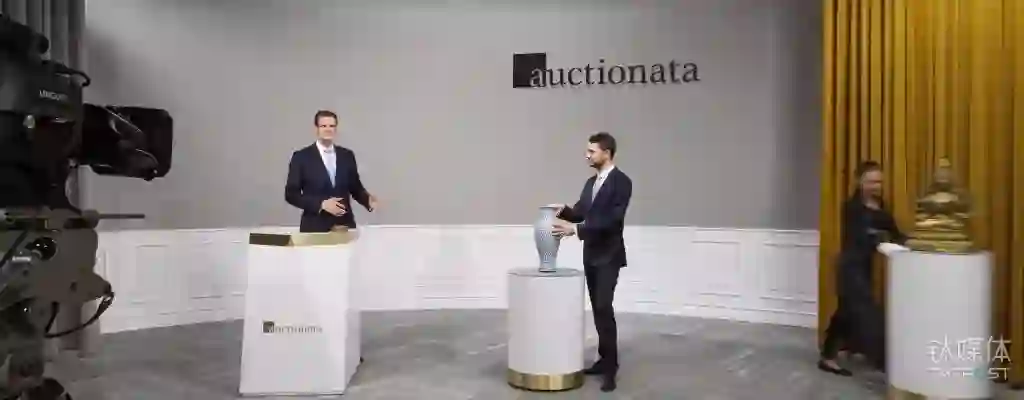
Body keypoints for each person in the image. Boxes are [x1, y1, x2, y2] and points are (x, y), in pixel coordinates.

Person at [551, 132, 632, 392]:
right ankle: (603, 359)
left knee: (604, 308)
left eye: (591, 151)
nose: (587, 155)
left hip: (609, 256)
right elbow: (580, 212)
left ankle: (611, 369)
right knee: (598, 310)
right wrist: (563, 211)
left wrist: (576, 231)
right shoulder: (590, 183)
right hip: (591, 255)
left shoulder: (622, 182)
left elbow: (612, 221)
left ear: (606, 153)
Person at [818, 161, 907, 376]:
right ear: (859, 181)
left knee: (845, 313)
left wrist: (915, 242)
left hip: (864, 269)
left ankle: (828, 357)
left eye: (879, 182)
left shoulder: (882, 209)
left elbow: (895, 234)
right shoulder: (851, 208)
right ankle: (888, 366)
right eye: (871, 181)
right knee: (868, 314)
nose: (876, 186)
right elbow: (861, 236)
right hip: (849, 268)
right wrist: (880, 237)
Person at [285, 110, 379, 233]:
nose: (328, 129)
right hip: (314, 228)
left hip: (344, 226)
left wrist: (368, 200)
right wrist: (321, 204)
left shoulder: (347, 155)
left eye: (332, 126)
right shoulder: (301, 157)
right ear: (316, 129)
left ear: (336, 129)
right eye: (324, 126)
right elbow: (291, 194)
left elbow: (355, 188)